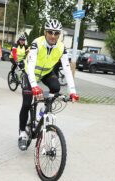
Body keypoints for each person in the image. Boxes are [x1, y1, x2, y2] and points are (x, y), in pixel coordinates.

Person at [18, 19, 79, 151]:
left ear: (59, 34)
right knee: (27, 103)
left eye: (56, 33)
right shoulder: (37, 43)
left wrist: (73, 91)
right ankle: (22, 133)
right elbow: (31, 64)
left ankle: (43, 111)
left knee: (56, 87)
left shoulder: (61, 47)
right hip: (30, 74)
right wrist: (34, 86)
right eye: (50, 32)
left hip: (46, 73)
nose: (53, 36)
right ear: (45, 32)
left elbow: (67, 70)